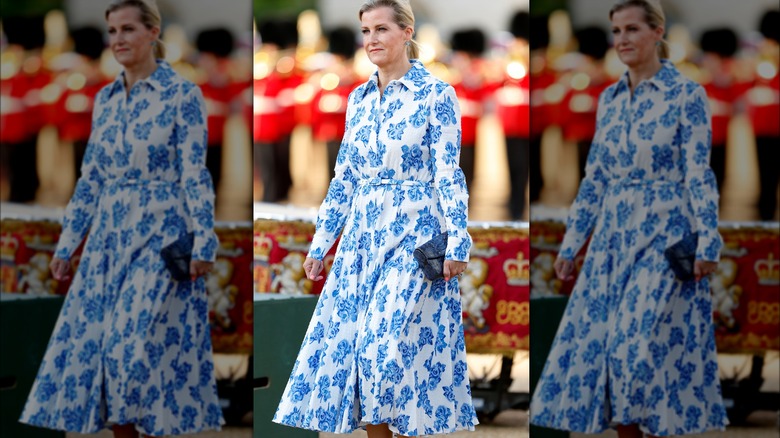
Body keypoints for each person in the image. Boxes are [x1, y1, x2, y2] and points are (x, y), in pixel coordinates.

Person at [18, 1, 224, 436]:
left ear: (153, 32)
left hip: (161, 238)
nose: (118, 40)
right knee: (99, 355)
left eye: (128, 29)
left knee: (127, 349)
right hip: (108, 241)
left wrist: (205, 238)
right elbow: (89, 179)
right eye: (112, 31)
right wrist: (67, 245)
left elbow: (195, 172)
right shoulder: (104, 100)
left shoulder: (182, 94)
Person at [272, 1, 478, 437]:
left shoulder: (436, 93)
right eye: (365, 31)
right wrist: (320, 244)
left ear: (407, 32)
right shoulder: (358, 100)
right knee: (354, 359)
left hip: (416, 237)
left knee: (380, 350)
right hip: (362, 240)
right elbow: (343, 178)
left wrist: (459, 239)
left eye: (382, 29)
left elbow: (449, 172)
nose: (371, 40)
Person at [529, 1, 728, 436]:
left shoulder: (687, 94)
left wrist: (708, 241)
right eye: (616, 31)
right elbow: (594, 179)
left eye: (633, 29)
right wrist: (572, 244)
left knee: (631, 351)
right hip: (612, 241)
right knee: (600, 352)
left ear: (658, 33)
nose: (622, 40)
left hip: (665, 237)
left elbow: (699, 173)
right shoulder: (610, 99)